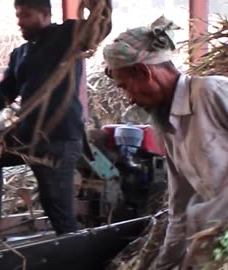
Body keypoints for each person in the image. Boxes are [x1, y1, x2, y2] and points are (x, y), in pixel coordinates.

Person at [103, 16, 228, 269]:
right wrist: (163, 264)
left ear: (144, 71)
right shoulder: (170, 129)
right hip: (214, 242)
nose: (128, 99)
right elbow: (179, 209)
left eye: (126, 86)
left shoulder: (211, 93)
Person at [0, 0, 111, 235]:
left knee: (57, 207)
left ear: (46, 14)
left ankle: (73, 251)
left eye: (25, 15)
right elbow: (2, 94)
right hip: (29, 138)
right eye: (17, 15)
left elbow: (100, 26)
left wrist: (98, 4)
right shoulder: (20, 54)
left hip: (59, 137)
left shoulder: (67, 36)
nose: (19, 21)